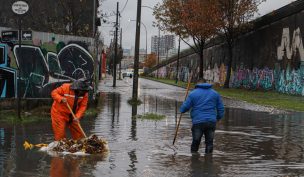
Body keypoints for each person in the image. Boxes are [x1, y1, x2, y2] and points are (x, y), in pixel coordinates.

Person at [180, 79, 224, 154]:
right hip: (211, 122)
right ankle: (209, 160)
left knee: (196, 141)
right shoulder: (215, 94)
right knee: (209, 142)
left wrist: (182, 109)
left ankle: (194, 160)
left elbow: (184, 108)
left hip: (198, 122)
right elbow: (220, 108)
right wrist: (218, 118)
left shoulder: (193, 94)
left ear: (197, 85)